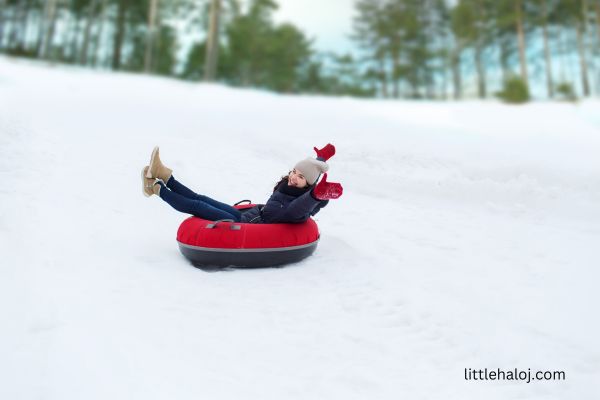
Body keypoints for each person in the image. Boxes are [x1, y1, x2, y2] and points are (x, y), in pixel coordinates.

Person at [141, 144, 343, 224]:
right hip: (248, 215)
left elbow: (302, 206)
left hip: (246, 225)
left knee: (198, 207)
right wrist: (320, 158)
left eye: (300, 177)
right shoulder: (289, 186)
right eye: (294, 172)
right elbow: (311, 172)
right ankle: (165, 177)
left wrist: (317, 195)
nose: (293, 177)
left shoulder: (300, 205)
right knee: (201, 198)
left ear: (308, 185)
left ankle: (156, 189)